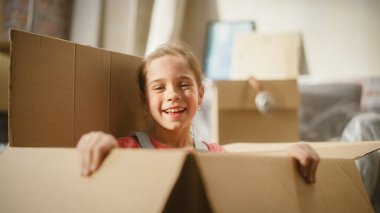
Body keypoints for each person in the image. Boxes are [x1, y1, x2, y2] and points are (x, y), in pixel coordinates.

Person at [76, 41, 320, 184]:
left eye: (184, 85)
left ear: (200, 95)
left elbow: (252, 165)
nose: (173, 94)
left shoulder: (214, 154)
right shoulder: (129, 149)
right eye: (159, 88)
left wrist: (289, 153)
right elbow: (102, 159)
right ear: (144, 101)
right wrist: (99, 142)